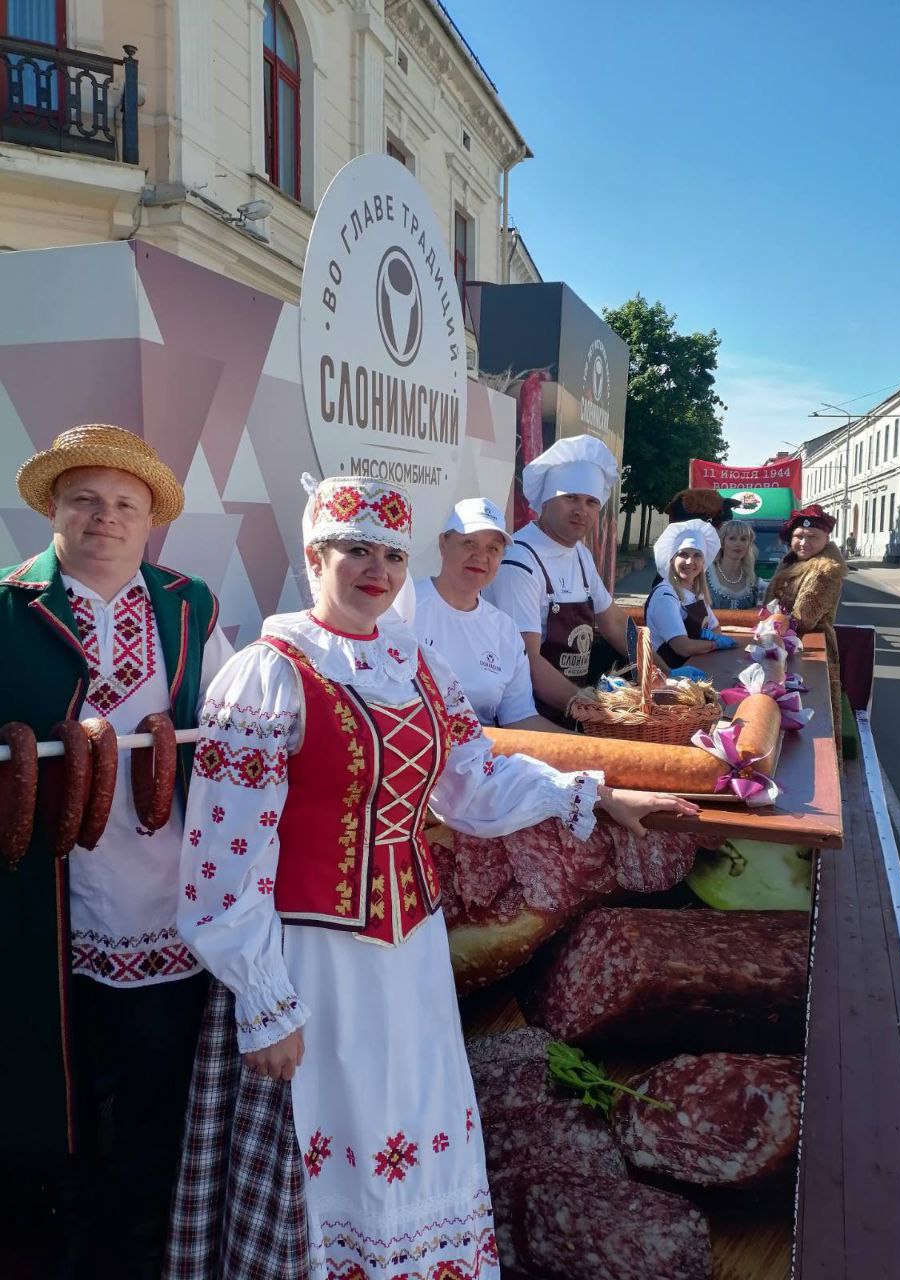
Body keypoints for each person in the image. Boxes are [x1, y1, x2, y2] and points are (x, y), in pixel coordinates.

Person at [165, 473, 698, 1280]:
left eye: (388, 552)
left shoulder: (416, 668)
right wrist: (265, 1004)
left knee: (410, 1132)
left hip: (410, 955)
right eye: (355, 550)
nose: (375, 569)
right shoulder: (268, 674)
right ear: (315, 555)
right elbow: (222, 860)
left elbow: (475, 786)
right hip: (311, 964)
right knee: (326, 1144)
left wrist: (597, 793)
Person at [0, 425, 232, 1278]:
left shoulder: (188, 604)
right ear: (54, 511)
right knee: (47, 1075)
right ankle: (50, 1232)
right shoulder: (5, 604)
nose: (104, 518)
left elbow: (233, 725)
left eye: (124, 505)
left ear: (150, 521)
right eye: (84, 501)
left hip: (160, 896)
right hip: (38, 895)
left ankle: (139, 1242)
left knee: (151, 1082)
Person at [485, 434, 632, 722]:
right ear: (546, 501)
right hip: (529, 716)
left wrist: (663, 675)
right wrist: (598, 712)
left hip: (570, 704)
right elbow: (526, 662)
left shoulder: (580, 554)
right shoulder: (520, 561)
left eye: (591, 502)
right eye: (571, 498)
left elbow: (614, 622)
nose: (582, 510)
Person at [415, 497, 560, 731]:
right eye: (469, 543)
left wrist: (594, 751)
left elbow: (520, 717)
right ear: (443, 544)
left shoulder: (505, 630)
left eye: (493, 548)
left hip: (482, 760)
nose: (481, 557)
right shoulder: (403, 607)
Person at [766, 503, 847, 750]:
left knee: (811, 716)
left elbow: (803, 618)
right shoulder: (791, 562)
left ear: (826, 538)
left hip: (809, 649)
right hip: (787, 644)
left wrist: (769, 625)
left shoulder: (824, 570)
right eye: (799, 536)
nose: (804, 542)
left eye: (813, 537)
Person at [645, 519, 737, 668]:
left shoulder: (696, 593)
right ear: (672, 559)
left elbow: (715, 628)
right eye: (683, 554)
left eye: (697, 555)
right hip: (671, 676)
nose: (689, 561)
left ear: (703, 562)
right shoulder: (665, 597)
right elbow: (682, 647)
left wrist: (710, 637)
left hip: (696, 666)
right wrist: (714, 644)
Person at [706, 519, 766, 609]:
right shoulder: (706, 575)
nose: (738, 543)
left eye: (743, 539)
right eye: (732, 538)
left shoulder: (752, 580)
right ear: (722, 543)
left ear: (749, 544)